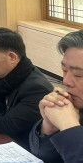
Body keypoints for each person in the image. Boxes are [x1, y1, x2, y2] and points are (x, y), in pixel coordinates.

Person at [29, 29, 83, 162]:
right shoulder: (74, 104)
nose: (66, 81)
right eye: (64, 70)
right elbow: (40, 154)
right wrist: (49, 127)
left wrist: (69, 126)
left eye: (78, 75)